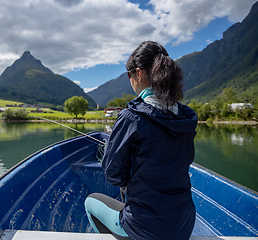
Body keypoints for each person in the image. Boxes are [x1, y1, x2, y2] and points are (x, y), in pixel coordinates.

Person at [84, 41, 198, 240]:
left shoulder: (131, 118)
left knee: (90, 202)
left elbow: (113, 175)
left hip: (145, 225)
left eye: (128, 75)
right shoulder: (186, 118)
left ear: (138, 74)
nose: (130, 80)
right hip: (184, 224)